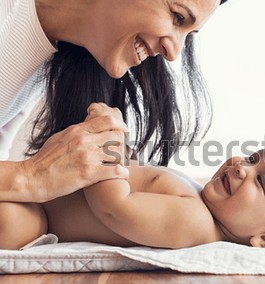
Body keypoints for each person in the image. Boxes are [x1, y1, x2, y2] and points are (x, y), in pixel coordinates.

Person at [0, 0, 228, 204]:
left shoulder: (47, 52)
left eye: (189, 34)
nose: (174, 53)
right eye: (178, 17)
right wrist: (30, 176)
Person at [0, 138, 265, 251]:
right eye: (253, 158)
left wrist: (108, 145)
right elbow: (141, 184)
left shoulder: (196, 223)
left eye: (261, 182)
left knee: (12, 221)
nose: (241, 168)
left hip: (42, 216)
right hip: (43, 190)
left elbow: (115, 209)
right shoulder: (200, 199)